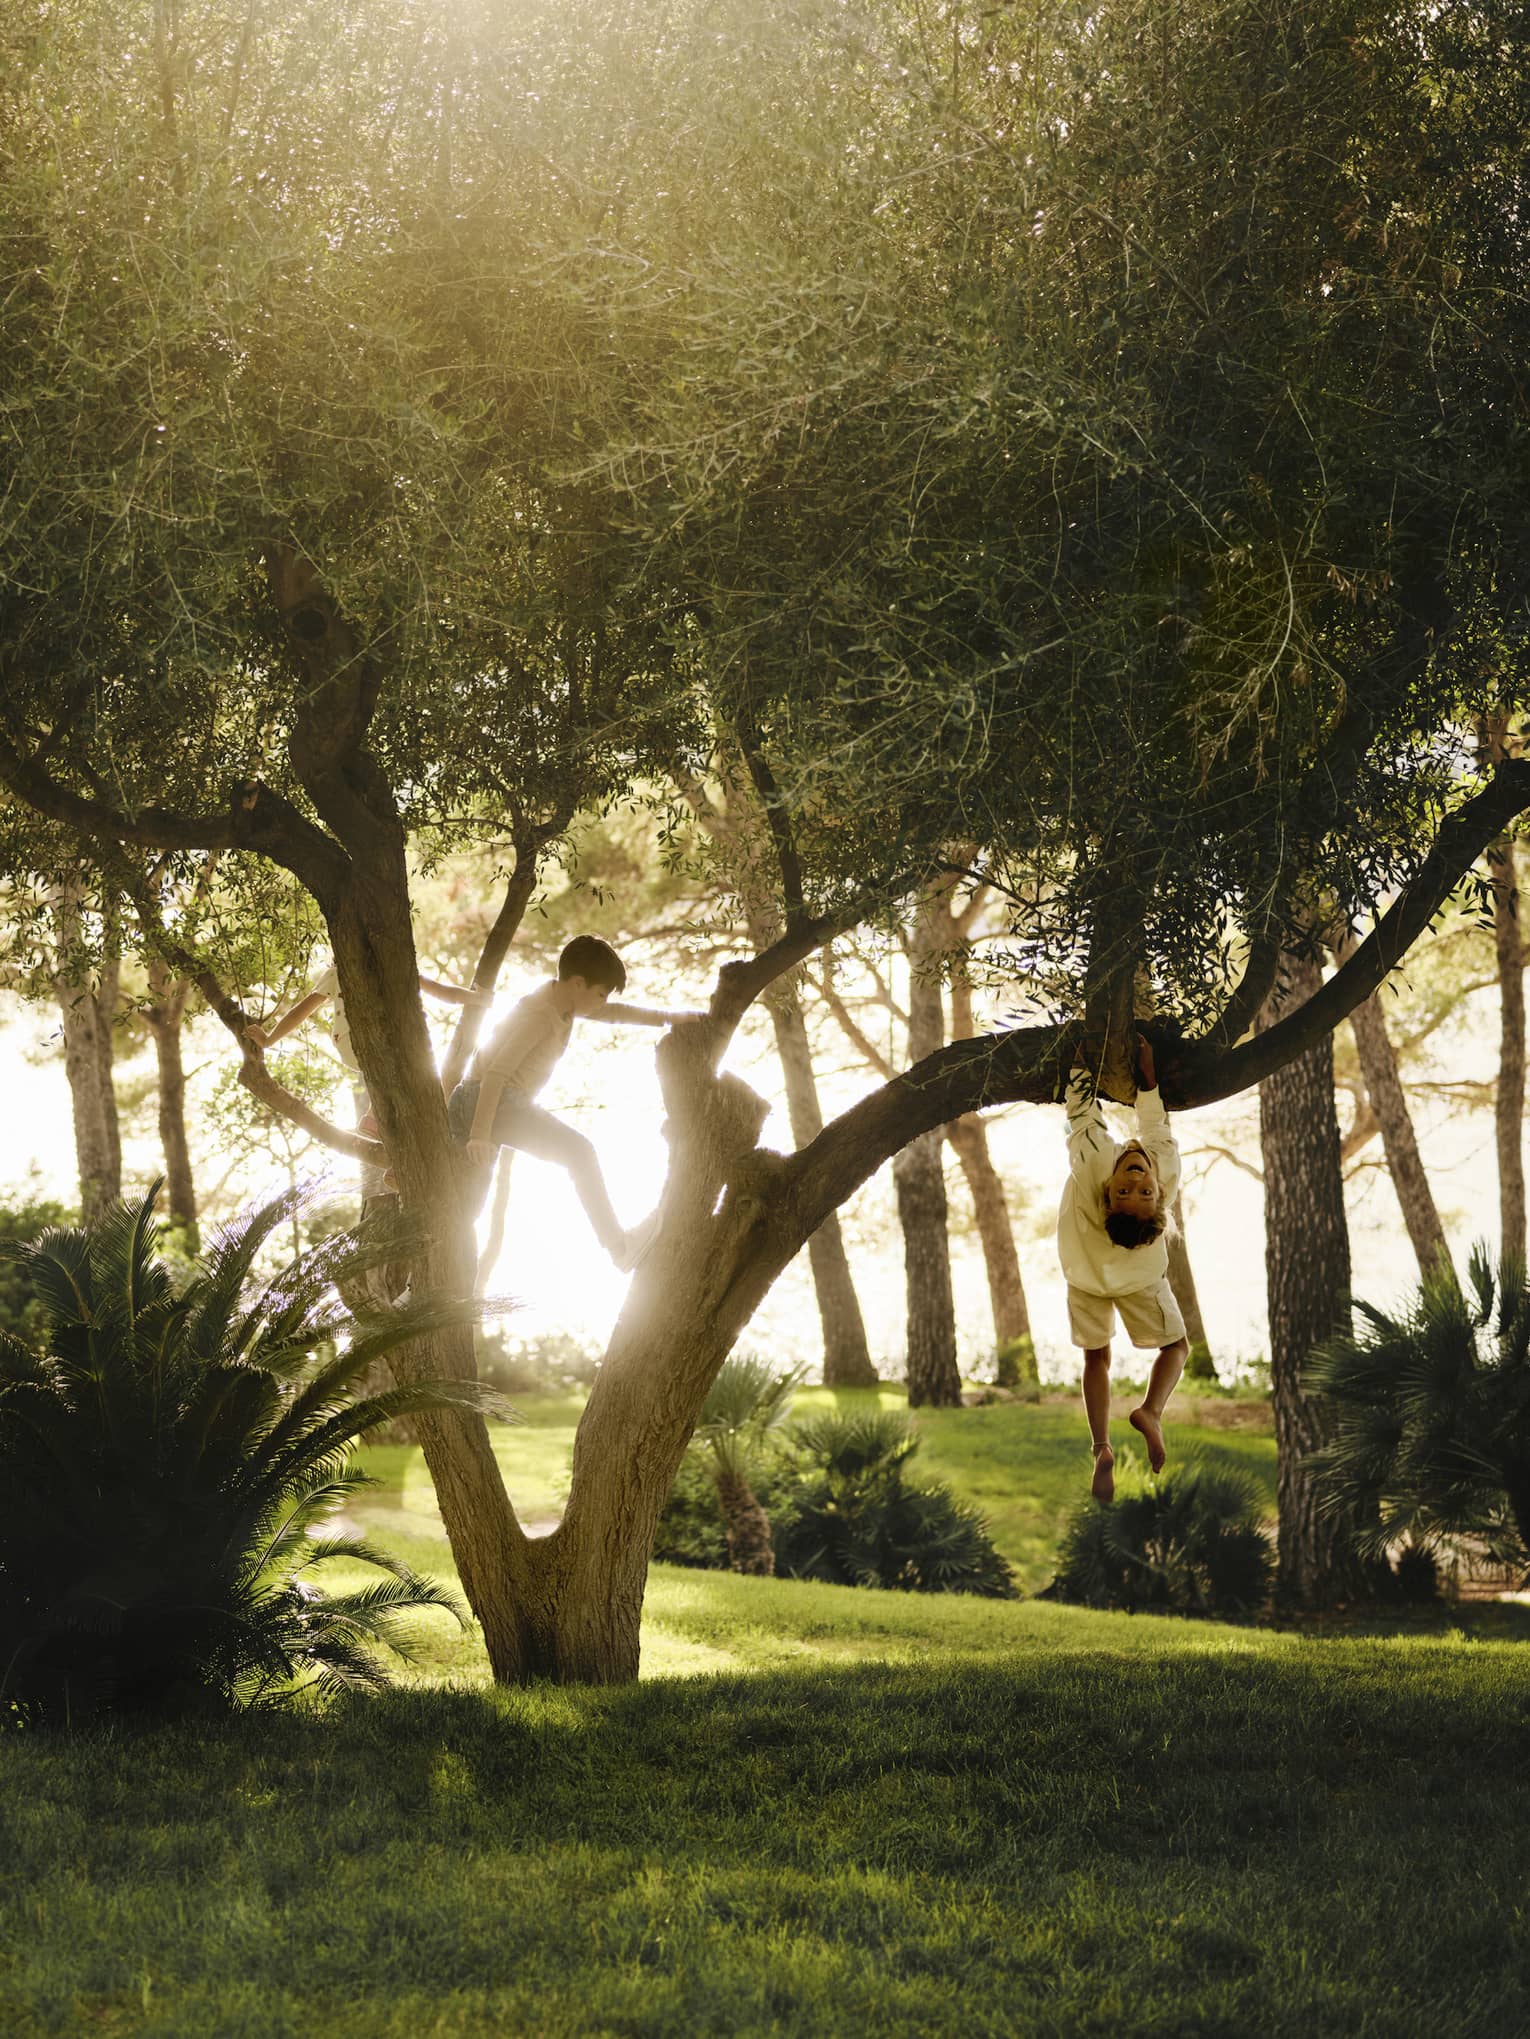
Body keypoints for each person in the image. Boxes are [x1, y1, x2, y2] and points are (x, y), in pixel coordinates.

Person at [446, 935, 693, 1274]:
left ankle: (421, 1284)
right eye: (601, 994)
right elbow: (496, 1074)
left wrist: (668, 1018)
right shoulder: (541, 1013)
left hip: (480, 1105)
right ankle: (619, 1248)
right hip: (490, 1102)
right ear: (579, 983)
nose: (603, 1003)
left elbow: (614, 1014)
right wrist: (479, 1134)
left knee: (464, 1206)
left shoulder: (563, 1002)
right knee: (580, 1153)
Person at [1057, 1037, 1189, 1504]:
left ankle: (1101, 1448)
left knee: (1097, 1358)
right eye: (1142, 1190)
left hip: (1086, 1276)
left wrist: (1081, 1058)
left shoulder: (1096, 1163)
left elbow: (1081, 1113)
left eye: (1128, 1191)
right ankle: (1151, 1411)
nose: (1135, 1182)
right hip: (1138, 1277)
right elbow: (1153, 1126)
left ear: (1108, 1193)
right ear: (1161, 1195)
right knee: (1176, 1347)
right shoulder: (1164, 1169)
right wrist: (1147, 1079)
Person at [246, 959, 489, 1193]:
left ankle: (385, 1139)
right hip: (359, 1041)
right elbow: (304, 1009)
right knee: (417, 1083)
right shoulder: (341, 972)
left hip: (374, 1048)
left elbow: (442, 992)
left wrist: (478, 998)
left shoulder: (393, 964)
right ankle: (375, 1120)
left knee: (409, 1093)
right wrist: (268, 1039)